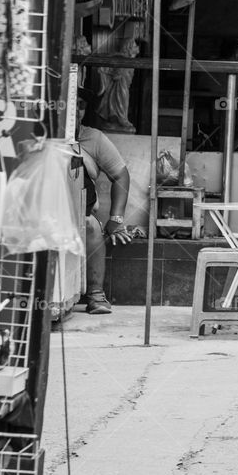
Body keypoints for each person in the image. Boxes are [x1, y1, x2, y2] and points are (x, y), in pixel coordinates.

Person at [76, 88, 132, 314]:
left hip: (82, 212)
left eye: (81, 106)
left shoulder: (94, 138)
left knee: (91, 226)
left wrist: (116, 218)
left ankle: (96, 295)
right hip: (48, 209)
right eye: (72, 104)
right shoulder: (44, 135)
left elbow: (121, 175)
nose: (76, 111)